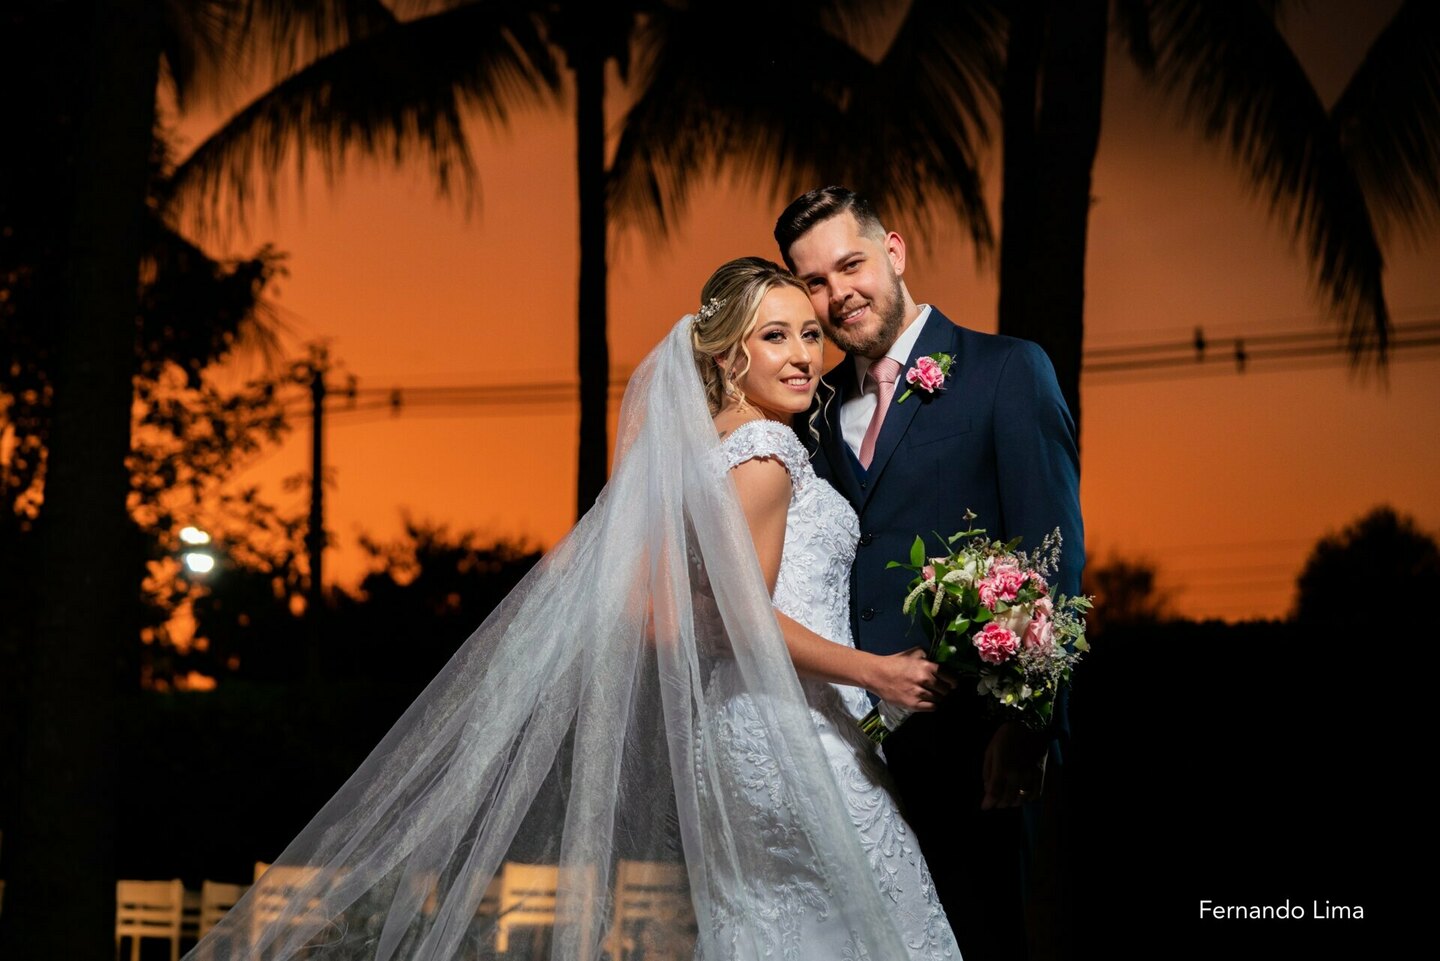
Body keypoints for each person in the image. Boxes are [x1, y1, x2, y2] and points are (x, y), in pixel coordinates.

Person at [185, 258, 960, 961]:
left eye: (811, 335)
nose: (803, 354)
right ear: (730, 355)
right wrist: (878, 672)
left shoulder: (705, 455)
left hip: (733, 733)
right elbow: (740, 619)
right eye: (776, 336)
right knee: (884, 928)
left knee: (772, 930)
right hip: (792, 732)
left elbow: (667, 603)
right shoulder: (766, 454)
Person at [775, 186, 1085, 961]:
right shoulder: (807, 415)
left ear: (895, 251)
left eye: (851, 264)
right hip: (852, 754)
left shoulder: (1007, 370)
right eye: (814, 281)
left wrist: (1028, 727)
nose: (838, 292)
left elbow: (1054, 559)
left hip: (977, 749)